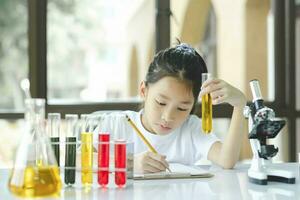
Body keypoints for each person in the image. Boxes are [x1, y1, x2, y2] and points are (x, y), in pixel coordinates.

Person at [96, 43, 247, 173]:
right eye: (161, 103)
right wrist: (129, 163)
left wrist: (240, 105)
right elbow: (76, 159)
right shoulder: (118, 124)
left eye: (182, 108)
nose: (168, 117)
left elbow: (226, 160)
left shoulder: (191, 128)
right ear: (144, 91)